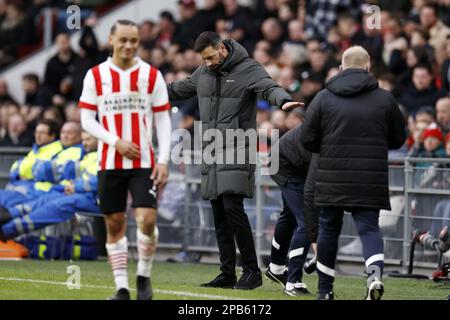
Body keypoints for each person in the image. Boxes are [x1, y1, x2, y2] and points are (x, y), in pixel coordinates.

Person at [167, 31, 302, 290]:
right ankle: (227, 272)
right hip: (212, 150)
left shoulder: (249, 68)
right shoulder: (204, 72)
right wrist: (146, 90)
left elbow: (268, 87)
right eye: (203, 59)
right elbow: (177, 90)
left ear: (222, 48)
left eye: (209, 57)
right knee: (219, 213)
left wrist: (283, 101)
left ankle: (252, 270)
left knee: (232, 208)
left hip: (238, 147)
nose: (206, 63)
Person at [300, 46, 406, 300]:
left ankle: (325, 291)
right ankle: (374, 276)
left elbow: (306, 138)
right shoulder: (385, 99)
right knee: (369, 229)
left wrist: (326, 148)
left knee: (328, 230)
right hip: (370, 177)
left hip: (331, 176)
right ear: (369, 67)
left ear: (341, 68)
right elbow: (398, 139)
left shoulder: (324, 97)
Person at [79, 20, 171, 300]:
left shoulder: (151, 75)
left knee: (146, 219)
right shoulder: (96, 75)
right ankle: (121, 288)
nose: (129, 46)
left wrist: (164, 160)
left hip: (143, 162)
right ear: (111, 40)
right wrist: (114, 140)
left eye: (134, 40)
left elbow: (163, 119)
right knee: (115, 224)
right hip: (108, 161)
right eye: (124, 40)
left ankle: (143, 276)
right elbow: (86, 119)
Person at [0, 131, 99, 240]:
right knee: (47, 200)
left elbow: (95, 181)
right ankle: (8, 216)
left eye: (88, 140)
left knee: (57, 204)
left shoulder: (98, 156)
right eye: (83, 139)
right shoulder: (87, 155)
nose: (84, 143)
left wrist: (75, 186)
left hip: (94, 198)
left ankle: (7, 230)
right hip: (73, 192)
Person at [265, 122, 317, 296]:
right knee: (306, 221)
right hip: (285, 162)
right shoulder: (331, 129)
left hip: (294, 161)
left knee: (290, 216)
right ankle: (293, 281)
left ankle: (276, 268)